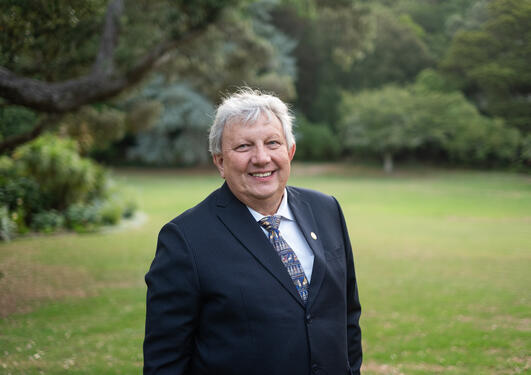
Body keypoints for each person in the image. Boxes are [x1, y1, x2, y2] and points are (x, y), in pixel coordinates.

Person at [143, 88, 362, 375]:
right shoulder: (185, 239)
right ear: (220, 161)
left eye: (272, 143)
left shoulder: (326, 210)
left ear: (290, 151)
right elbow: (165, 362)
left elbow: (347, 317)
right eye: (243, 147)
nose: (261, 158)